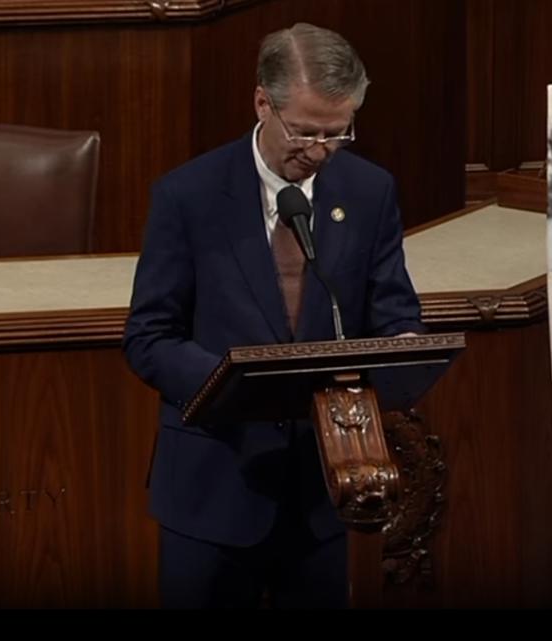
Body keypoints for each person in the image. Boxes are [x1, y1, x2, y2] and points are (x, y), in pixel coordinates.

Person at [122, 23, 425, 608]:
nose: (317, 151)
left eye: (337, 134)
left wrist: (406, 348)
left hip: (324, 488)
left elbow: (393, 311)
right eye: (304, 131)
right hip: (213, 484)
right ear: (263, 101)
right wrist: (225, 386)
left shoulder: (368, 191)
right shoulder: (189, 195)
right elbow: (149, 336)